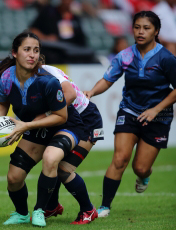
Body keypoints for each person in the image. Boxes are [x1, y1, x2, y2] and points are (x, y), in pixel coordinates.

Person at [0, 31, 97, 227]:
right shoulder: (5, 78)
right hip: (36, 126)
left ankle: (39, 211)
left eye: (36, 50)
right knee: (14, 177)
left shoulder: (48, 81)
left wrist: (25, 125)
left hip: (66, 125)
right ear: (14, 53)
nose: (32, 55)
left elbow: (61, 116)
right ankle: (21, 213)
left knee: (51, 159)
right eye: (26, 49)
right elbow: (2, 104)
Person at [83, 11, 176, 217]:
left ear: (156, 31)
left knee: (140, 168)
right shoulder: (125, 55)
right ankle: (104, 206)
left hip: (158, 116)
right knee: (119, 159)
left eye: (146, 28)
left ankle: (144, 176)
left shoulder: (167, 58)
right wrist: (92, 91)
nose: (140, 32)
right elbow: (108, 79)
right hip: (130, 110)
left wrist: (156, 109)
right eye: (137, 27)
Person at [37, 65, 104, 223]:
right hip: (70, 119)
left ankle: (88, 210)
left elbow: (70, 95)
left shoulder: (46, 72)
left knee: (64, 169)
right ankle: (52, 206)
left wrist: (43, 115)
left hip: (87, 119)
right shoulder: (37, 72)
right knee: (52, 162)